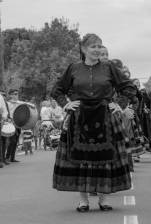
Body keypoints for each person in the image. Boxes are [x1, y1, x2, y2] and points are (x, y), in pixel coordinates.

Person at [51, 33, 136, 212]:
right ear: (83, 49)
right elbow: (57, 90)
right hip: (79, 118)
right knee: (80, 160)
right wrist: (66, 104)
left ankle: (103, 200)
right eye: (93, 46)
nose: (97, 50)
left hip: (105, 116)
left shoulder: (109, 67)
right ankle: (83, 201)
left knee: (105, 159)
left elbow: (128, 87)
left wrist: (118, 104)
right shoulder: (73, 68)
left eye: (99, 46)